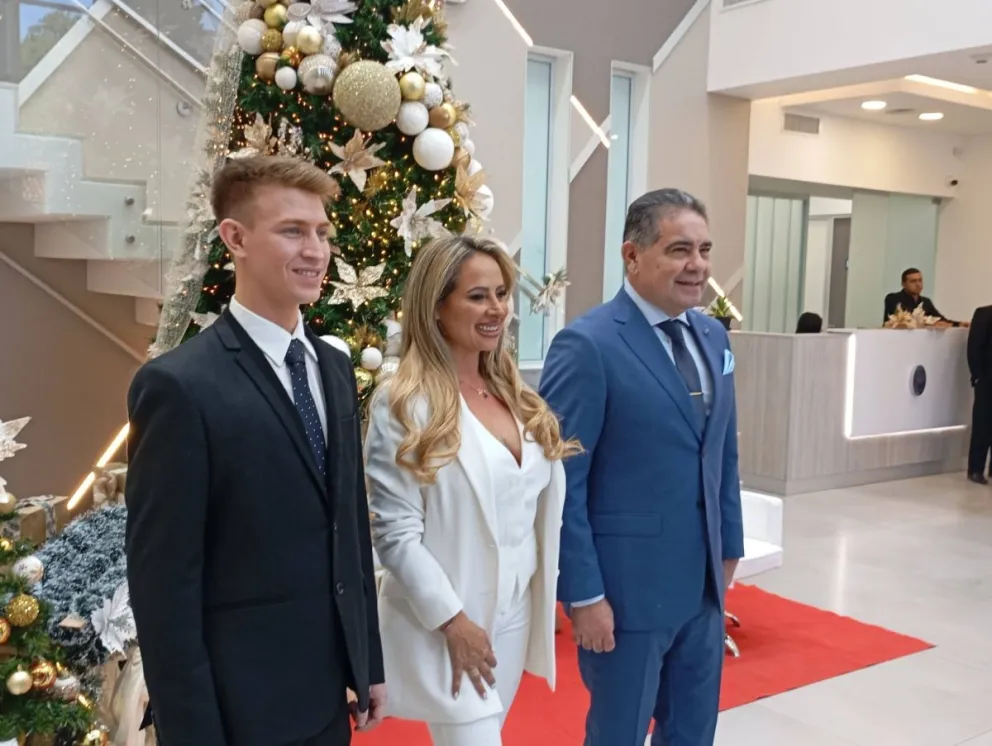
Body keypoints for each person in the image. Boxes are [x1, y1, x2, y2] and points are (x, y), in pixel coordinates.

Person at [125, 155, 385, 746]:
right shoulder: (179, 386)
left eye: (322, 232)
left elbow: (348, 526)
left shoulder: (334, 366)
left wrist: (366, 659)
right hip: (239, 710)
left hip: (327, 698)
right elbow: (163, 587)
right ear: (235, 238)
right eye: (292, 231)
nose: (315, 251)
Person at [540, 189, 744, 746]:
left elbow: (722, 453)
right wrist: (583, 594)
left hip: (703, 588)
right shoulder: (588, 345)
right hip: (625, 594)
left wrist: (729, 547)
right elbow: (562, 482)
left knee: (693, 732)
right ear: (632, 255)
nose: (698, 265)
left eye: (704, 249)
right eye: (680, 250)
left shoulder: (713, 335)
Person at [364, 235, 579, 746]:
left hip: (516, 611)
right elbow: (394, 534)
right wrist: (452, 622)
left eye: (501, 294)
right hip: (448, 620)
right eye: (477, 296)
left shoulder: (514, 394)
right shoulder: (404, 402)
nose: (497, 309)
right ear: (436, 307)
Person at [883, 268, 969, 327]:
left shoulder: (925, 301)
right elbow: (902, 320)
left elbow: (939, 319)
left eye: (920, 280)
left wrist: (959, 324)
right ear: (903, 284)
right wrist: (929, 323)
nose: (918, 284)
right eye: (913, 281)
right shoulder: (893, 298)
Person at [967, 304, 992, 484]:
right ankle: (975, 469)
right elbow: (974, 347)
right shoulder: (985, 313)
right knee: (983, 424)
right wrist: (976, 375)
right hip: (987, 379)